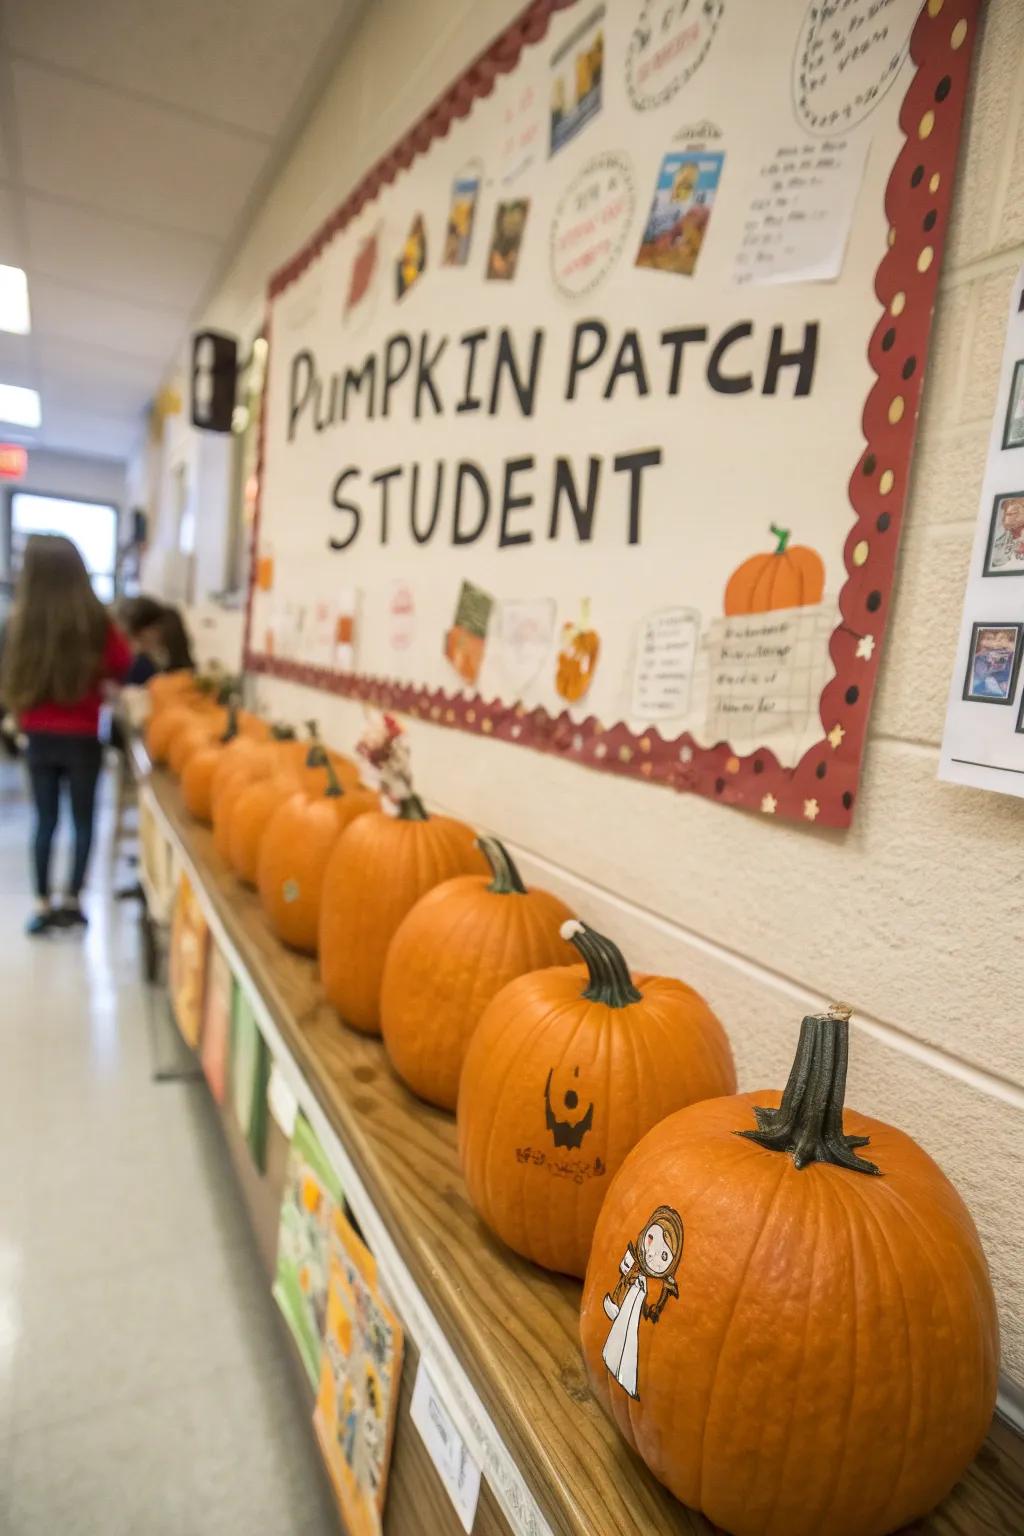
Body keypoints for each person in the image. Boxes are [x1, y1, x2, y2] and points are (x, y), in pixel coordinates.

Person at [0, 535, 132, 934]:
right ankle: (74, 899)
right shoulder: (95, 621)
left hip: (38, 735)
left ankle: (42, 902)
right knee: (83, 819)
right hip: (83, 735)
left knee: (45, 820)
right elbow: (122, 662)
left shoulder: (21, 623)